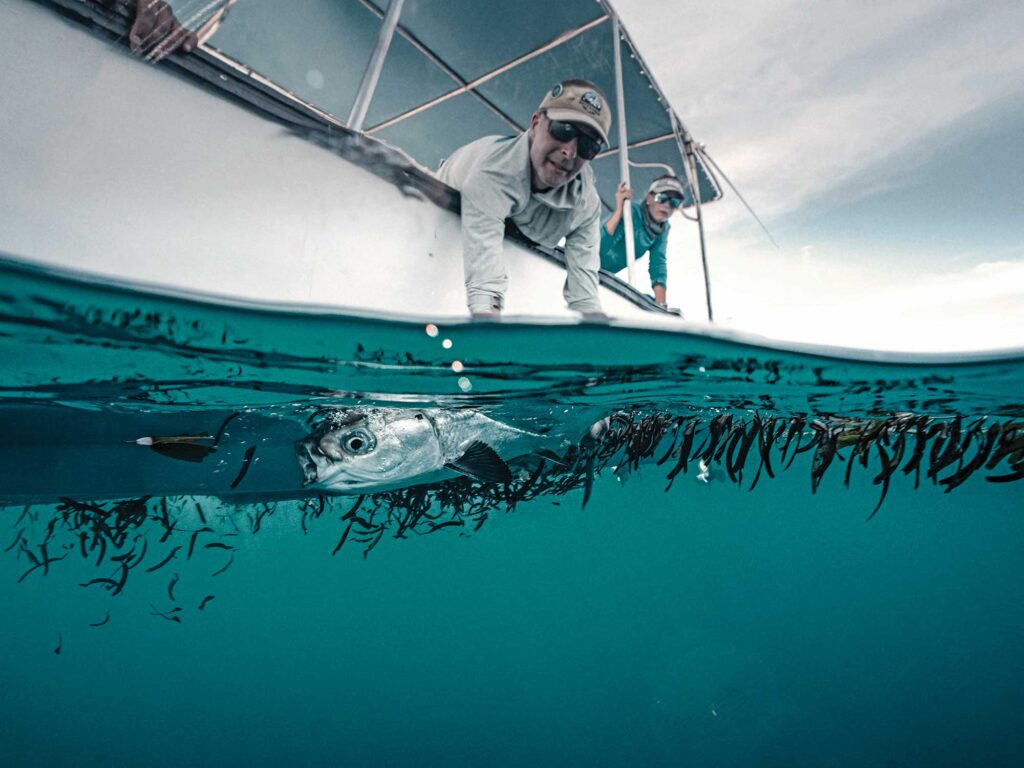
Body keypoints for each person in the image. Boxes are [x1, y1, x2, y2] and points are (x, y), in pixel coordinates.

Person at [436, 80, 611, 316]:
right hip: (448, 188)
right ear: (536, 123)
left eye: (588, 146)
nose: (570, 152)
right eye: (563, 130)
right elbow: (485, 292)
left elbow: (585, 298)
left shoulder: (587, 205)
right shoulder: (492, 173)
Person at [599, 174, 686, 308]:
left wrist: (660, 304)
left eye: (674, 203)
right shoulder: (631, 211)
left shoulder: (663, 228)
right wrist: (619, 212)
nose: (667, 206)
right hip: (577, 263)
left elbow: (658, 263)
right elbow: (599, 246)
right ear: (649, 197)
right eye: (662, 198)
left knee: (648, 301)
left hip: (601, 278)